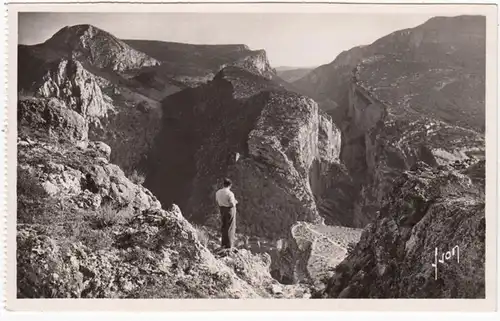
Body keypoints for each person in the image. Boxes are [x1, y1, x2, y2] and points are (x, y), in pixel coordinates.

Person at [215, 178, 238, 250]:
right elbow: (231, 203)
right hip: (229, 210)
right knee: (230, 227)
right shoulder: (230, 193)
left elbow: (217, 201)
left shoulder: (218, 192)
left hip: (222, 209)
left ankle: (223, 244)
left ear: (223, 184)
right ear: (230, 185)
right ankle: (229, 245)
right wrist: (235, 202)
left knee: (224, 226)